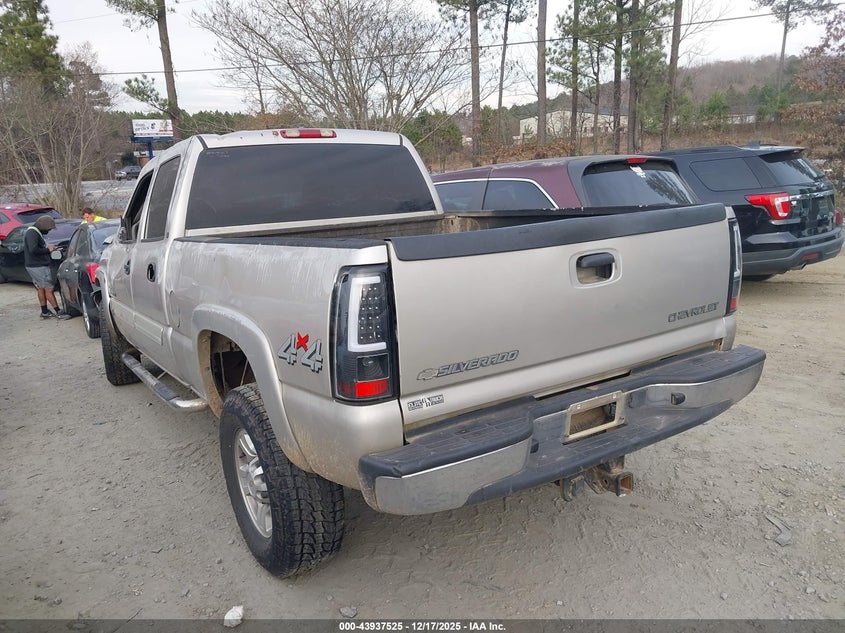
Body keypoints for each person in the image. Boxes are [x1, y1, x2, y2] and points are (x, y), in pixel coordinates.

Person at [24, 215, 69, 320]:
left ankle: (44, 311)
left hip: (33, 265)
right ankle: (59, 312)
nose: (49, 231)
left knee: (41, 288)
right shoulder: (33, 233)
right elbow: (33, 250)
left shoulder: (33, 231)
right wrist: (48, 250)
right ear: (43, 226)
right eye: (49, 228)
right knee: (49, 288)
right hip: (38, 266)